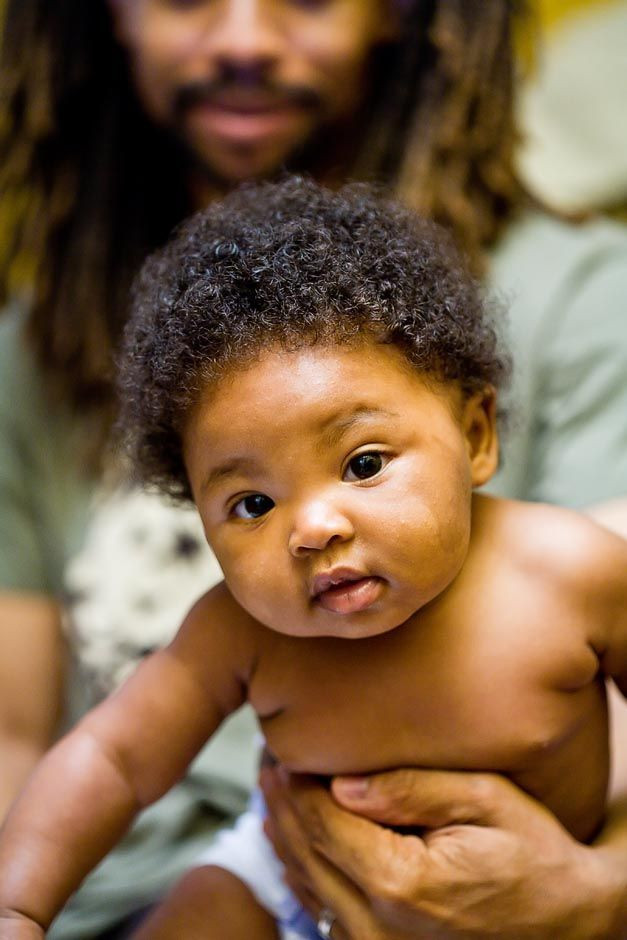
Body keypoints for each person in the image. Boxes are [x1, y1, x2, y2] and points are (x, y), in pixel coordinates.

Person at [0, 2, 626, 938]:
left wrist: (597, 893)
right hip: (281, 864)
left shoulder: (570, 568)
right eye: (251, 502)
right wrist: (18, 906)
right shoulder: (235, 634)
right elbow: (114, 759)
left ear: (477, 436)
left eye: (365, 463)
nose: (313, 525)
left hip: (527, 886)